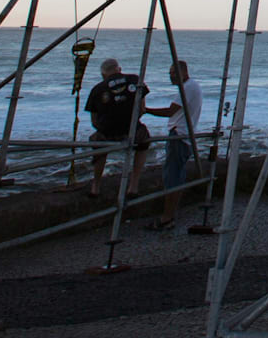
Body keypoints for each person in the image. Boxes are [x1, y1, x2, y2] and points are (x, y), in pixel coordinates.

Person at [144, 59, 203, 228]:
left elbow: (170, 111)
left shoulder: (188, 87)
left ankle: (167, 218)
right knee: (176, 175)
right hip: (183, 134)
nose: (171, 76)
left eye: (174, 73)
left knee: (172, 177)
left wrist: (146, 110)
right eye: (170, 73)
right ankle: (170, 215)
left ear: (184, 72)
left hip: (179, 135)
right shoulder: (191, 86)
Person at [82, 57, 150, 198]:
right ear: (119, 69)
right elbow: (142, 109)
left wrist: (105, 128)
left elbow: (94, 120)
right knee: (144, 139)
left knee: (97, 143)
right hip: (131, 129)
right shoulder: (134, 79)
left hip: (108, 131)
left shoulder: (97, 89)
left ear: (103, 74)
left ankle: (96, 186)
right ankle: (133, 185)